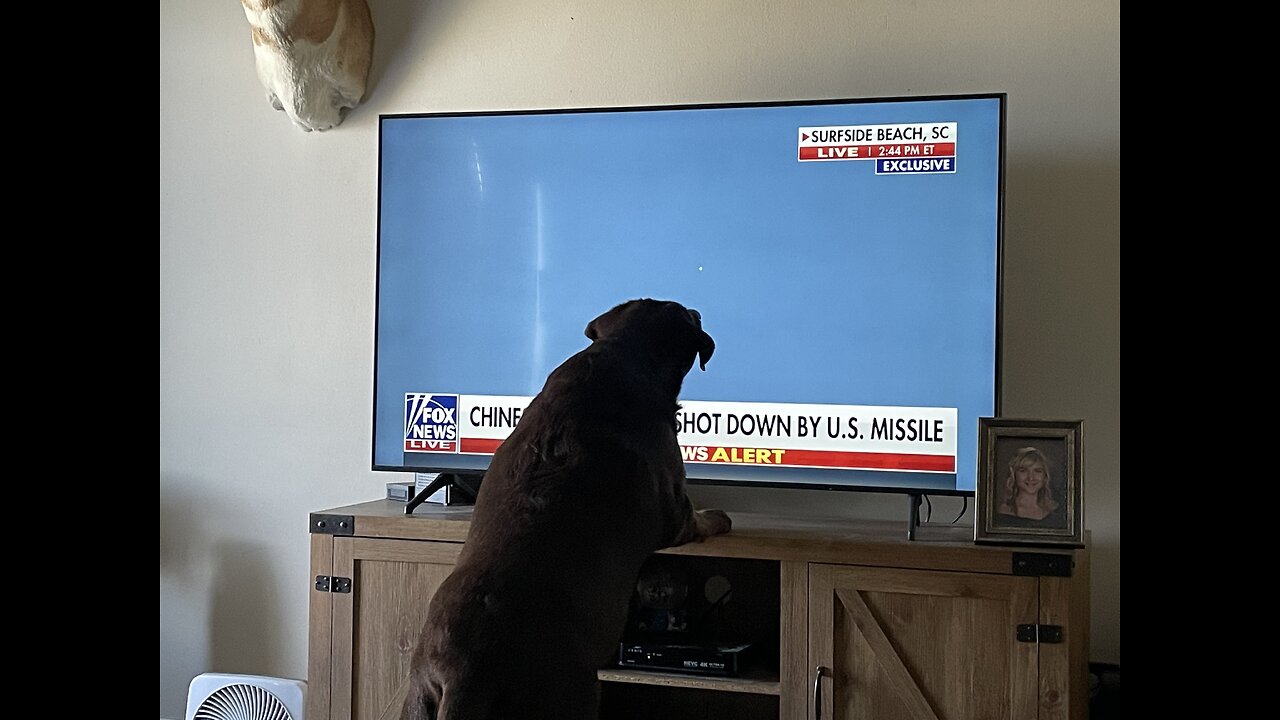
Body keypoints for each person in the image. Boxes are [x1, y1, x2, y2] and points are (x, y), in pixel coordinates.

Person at [995, 446, 1066, 527]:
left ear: (1045, 476)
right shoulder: (1003, 513)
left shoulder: (1055, 514)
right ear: (1013, 475)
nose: (1031, 477)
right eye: (1023, 471)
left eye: (1037, 471)